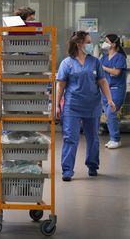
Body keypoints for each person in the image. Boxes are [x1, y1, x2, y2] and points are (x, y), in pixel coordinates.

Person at [56, 31, 116, 182]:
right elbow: (61, 85)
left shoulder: (95, 62)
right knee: (70, 138)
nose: (90, 45)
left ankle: (93, 166)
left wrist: (109, 100)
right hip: (72, 106)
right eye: (88, 42)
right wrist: (57, 105)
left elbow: (102, 81)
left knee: (93, 138)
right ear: (79, 44)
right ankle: (67, 170)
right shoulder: (66, 63)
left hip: (92, 106)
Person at [100, 34, 127, 149]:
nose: (104, 43)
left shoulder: (120, 57)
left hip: (116, 90)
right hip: (105, 90)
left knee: (111, 112)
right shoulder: (104, 57)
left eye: (106, 41)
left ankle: (116, 139)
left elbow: (116, 72)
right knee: (109, 115)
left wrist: (103, 68)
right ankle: (112, 138)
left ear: (113, 44)